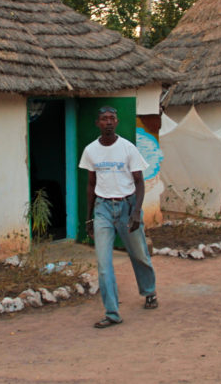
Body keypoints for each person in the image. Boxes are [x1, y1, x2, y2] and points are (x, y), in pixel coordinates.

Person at [79, 106, 158, 328]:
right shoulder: (91, 150)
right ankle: (112, 312)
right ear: (97, 123)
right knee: (104, 264)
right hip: (102, 209)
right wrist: (89, 218)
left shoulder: (127, 148)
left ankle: (149, 291)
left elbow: (139, 182)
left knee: (139, 253)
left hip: (127, 206)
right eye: (104, 119)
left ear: (117, 122)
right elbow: (91, 185)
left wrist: (135, 213)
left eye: (112, 118)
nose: (108, 122)